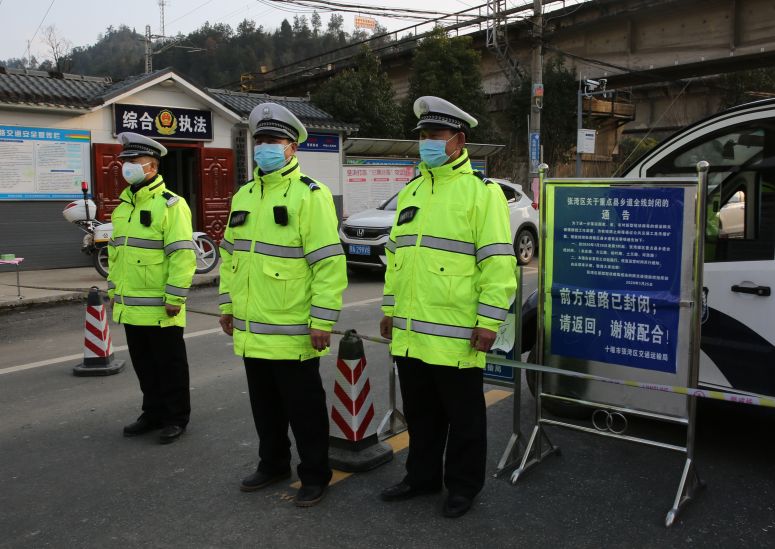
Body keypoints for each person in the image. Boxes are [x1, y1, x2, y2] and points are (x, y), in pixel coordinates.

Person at [378, 96, 517, 518]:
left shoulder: (482, 193)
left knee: (465, 420)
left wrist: (491, 321)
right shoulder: (412, 190)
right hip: (412, 334)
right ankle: (421, 477)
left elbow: (497, 262)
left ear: (458, 140)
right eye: (422, 136)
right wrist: (389, 309)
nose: (426, 143)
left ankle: (462, 486)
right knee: (421, 416)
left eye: (434, 136)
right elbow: (396, 258)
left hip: (458, 334)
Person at [218, 103, 347, 508]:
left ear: (292, 147)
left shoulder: (311, 194)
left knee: (304, 409)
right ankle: (272, 463)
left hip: (294, 328)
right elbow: (229, 255)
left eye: (272, 141)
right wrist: (227, 304)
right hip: (252, 328)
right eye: (260, 141)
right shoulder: (244, 194)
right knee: (265, 406)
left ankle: (314, 474)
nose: (264, 148)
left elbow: (328, 262)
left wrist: (323, 319)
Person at [107, 132, 197, 444]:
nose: (127, 166)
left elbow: (183, 254)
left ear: (152, 167)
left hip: (162, 304)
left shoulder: (171, 205)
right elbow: (117, 255)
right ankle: (153, 412)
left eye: (134, 161)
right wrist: (113, 292)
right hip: (131, 306)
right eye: (125, 161)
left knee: (169, 364)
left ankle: (176, 417)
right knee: (144, 365)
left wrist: (175, 296)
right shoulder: (122, 207)